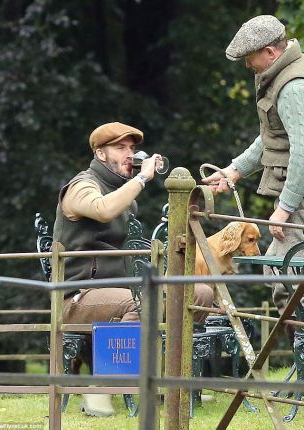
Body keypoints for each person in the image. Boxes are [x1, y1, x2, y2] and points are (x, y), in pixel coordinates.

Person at [53, 121, 214, 416]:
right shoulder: (81, 186)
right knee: (140, 302)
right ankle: (99, 395)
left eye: (132, 148)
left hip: (124, 289)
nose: (130, 154)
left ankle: (174, 385)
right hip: (78, 296)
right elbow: (103, 209)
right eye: (120, 148)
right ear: (101, 154)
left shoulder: (124, 194)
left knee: (199, 292)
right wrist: (141, 179)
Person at [202, 15, 304, 321]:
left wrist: (283, 208)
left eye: (249, 57)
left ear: (270, 52)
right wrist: (235, 170)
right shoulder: (286, 74)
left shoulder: (295, 86)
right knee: (283, 276)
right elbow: (274, 137)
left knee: (301, 287)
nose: (247, 65)